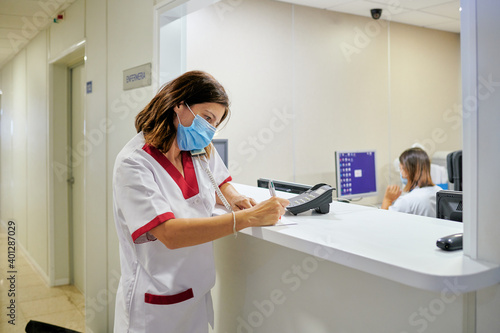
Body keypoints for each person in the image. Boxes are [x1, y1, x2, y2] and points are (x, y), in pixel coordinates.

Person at [112, 70, 289, 332]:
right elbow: (169, 234)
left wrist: (235, 197)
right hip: (155, 303)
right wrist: (247, 218)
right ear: (179, 104)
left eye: (214, 123)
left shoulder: (196, 149)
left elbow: (220, 182)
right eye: (206, 118)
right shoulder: (134, 163)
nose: (209, 130)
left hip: (195, 295)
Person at [382, 147, 442, 217]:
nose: (401, 174)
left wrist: (388, 199)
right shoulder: (440, 191)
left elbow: (383, 221)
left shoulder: (406, 201)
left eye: (401, 169)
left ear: (407, 170)